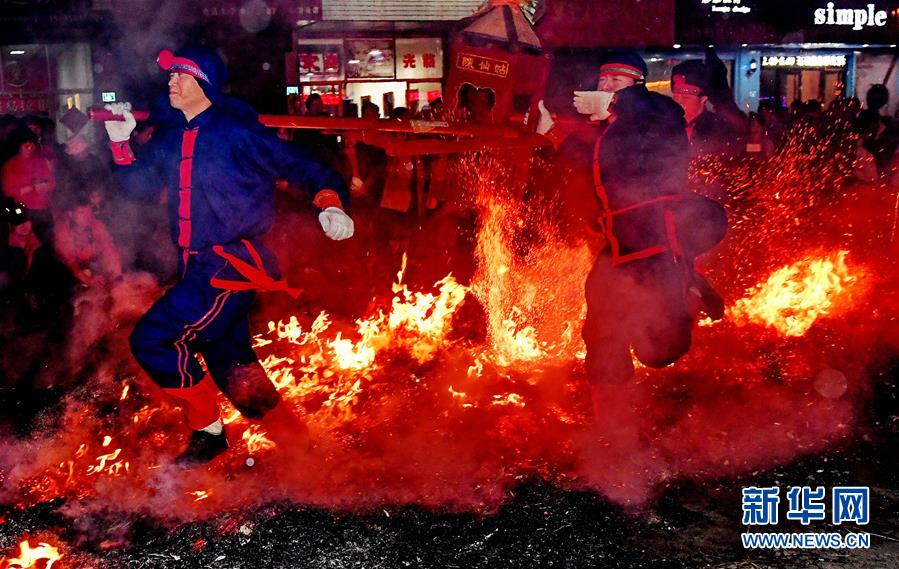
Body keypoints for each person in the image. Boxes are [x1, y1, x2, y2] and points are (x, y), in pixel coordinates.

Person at [103, 46, 354, 467]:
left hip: (227, 267)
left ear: (204, 84)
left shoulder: (235, 132)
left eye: (181, 75)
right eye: (170, 75)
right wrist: (119, 141)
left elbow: (303, 166)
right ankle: (300, 449)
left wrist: (330, 201)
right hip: (197, 267)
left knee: (154, 338)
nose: (171, 81)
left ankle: (208, 432)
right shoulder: (169, 137)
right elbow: (135, 187)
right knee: (234, 367)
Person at [1, 127, 56, 249]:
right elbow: (9, 191)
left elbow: (52, 182)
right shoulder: (11, 165)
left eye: (32, 146)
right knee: (24, 247)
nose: (30, 149)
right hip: (22, 213)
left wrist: (46, 186)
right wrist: (32, 187)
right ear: (19, 146)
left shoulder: (41, 162)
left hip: (43, 210)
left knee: (47, 245)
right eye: (26, 146)